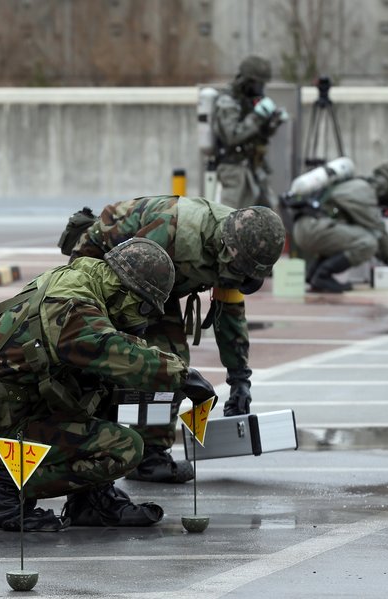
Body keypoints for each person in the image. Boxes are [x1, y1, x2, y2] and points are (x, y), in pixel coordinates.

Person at [0, 238, 216, 530]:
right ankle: (0, 492)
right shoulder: (72, 306)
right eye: (143, 309)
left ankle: (90, 501)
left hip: (18, 408)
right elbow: (115, 352)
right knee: (124, 447)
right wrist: (183, 376)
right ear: (126, 293)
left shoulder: (81, 279)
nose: (145, 320)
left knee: (111, 390)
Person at [70, 196, 286, 482]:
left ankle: (149, 453)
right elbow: (129, 287)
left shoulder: (239, 249)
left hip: (156, 282)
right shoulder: (172, 233)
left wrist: (239, 380)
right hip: (108, 264)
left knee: (171, 361)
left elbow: (229, 317)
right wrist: (131, 345)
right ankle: (87, 442)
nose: (238, 275)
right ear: (226, 248)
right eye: (238, 268)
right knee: (121, 358)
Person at [290, 161, 388, 293]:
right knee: (368, 243)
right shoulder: (363, 191)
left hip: (311, 227)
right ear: (387, 186)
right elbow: (376, 227)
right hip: (312, 229)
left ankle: (314, 274)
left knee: (351, 236)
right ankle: (323, 276)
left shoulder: (358, 186)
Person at [211, 55, 289, 210]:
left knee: (268, 215)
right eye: (258, 83)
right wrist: (258, 116)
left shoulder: (251, 101)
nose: (261, 88)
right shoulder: (227, 102)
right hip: (234, 170)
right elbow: (232, 136)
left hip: (255, 167)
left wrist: (272, 122)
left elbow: (260, 135)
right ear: (247, 81)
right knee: (230, 216)